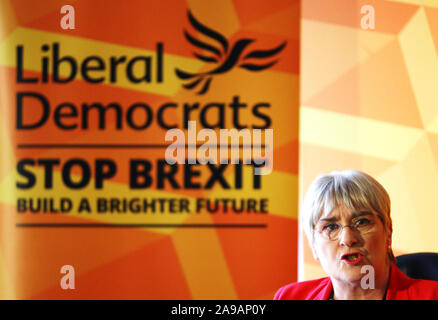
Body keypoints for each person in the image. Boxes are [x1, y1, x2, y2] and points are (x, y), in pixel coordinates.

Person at [275, 170, 438, 300]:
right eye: (331, 227)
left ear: (388, 232)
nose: (348, 239)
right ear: (313, 244)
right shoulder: (289, 297)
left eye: (362, 222)